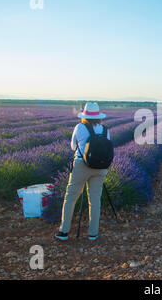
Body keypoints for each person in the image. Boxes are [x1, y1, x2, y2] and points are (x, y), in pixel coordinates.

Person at [55, 102, 111, 241]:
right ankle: (93, 234)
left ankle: (64, 232)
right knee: (95, 199)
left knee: (71, 198)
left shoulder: (80, 127)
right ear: (99, 116)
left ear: (84, 115)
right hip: (101, 167)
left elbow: (73, 146)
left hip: (82, 165)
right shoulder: (105, 129)